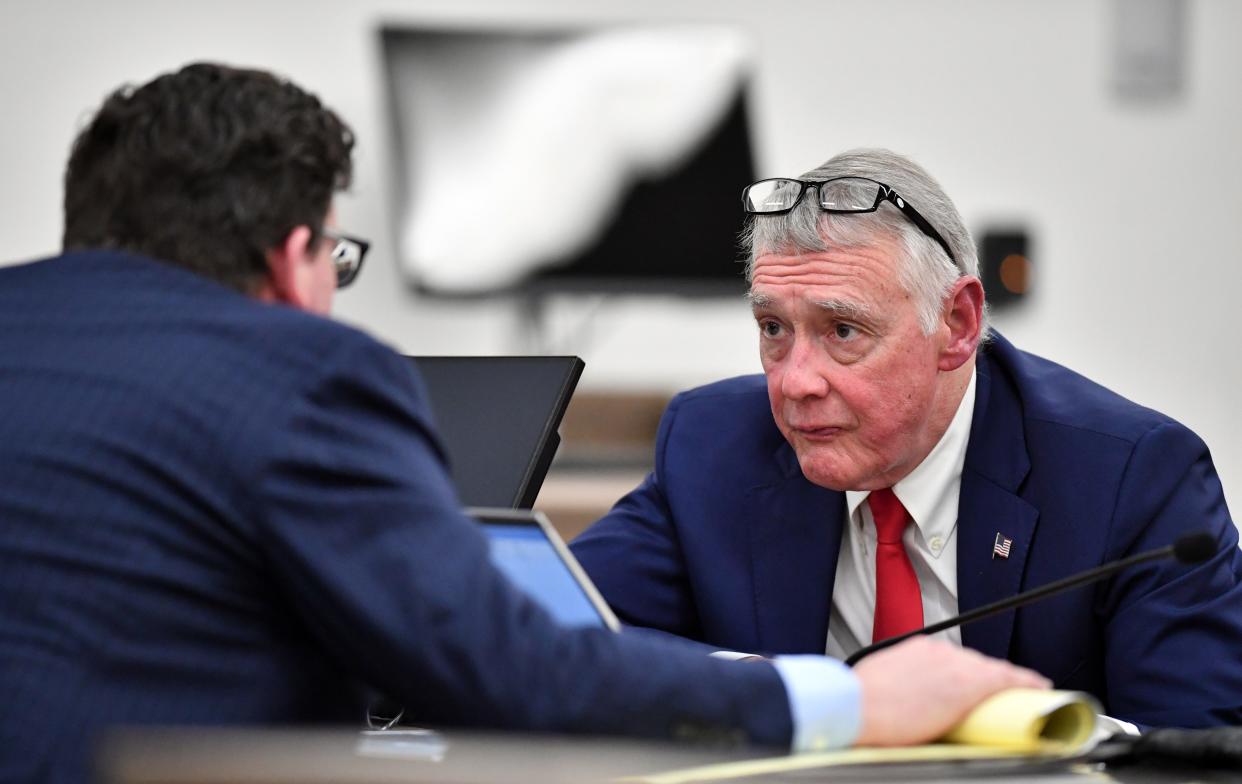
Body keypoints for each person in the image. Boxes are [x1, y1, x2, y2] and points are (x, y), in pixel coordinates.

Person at [0, 67, 1045, 783]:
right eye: (338, 263)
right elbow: (516, 666)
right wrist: (851, 704)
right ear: (290, 257)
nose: (796, 375)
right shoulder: (300, 373)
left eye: (841, 331)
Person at [571, 148, 1242, 731]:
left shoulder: (1132, 477)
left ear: (956, 324)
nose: (795, 382)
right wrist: (806, 698)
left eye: (842, 331)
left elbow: (1187, 751)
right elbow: (548, 633)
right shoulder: (714, 445)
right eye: (774, 329)